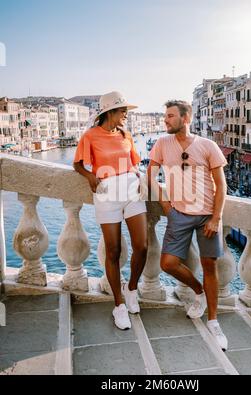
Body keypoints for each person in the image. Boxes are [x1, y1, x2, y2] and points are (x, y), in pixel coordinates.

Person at [147, 100, 228, 351]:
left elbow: (221, 184)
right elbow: (150, 174)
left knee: (209, 266)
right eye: (165, 116)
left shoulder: (207, 145)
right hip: (178, 214)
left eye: (170, 116)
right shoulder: (162, 143)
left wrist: (216, 217)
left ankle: (214, 321)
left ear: (185, 118)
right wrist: (166, 206)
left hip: (206, 216)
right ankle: (199, 292)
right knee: (167, 263)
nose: (165, 120)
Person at [73, 91, 148, 331]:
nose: (126, 113)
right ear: (110, 112)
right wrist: (89, 176)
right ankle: (119, 305)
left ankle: (132, 288)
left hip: (130, 190)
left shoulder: (126, 134)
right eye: (122, 110)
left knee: (142, 246)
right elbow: (77, 164)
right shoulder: (90, 136)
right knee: (113, 250)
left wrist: (136, 173)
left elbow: (134, 161)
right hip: (106, 193)